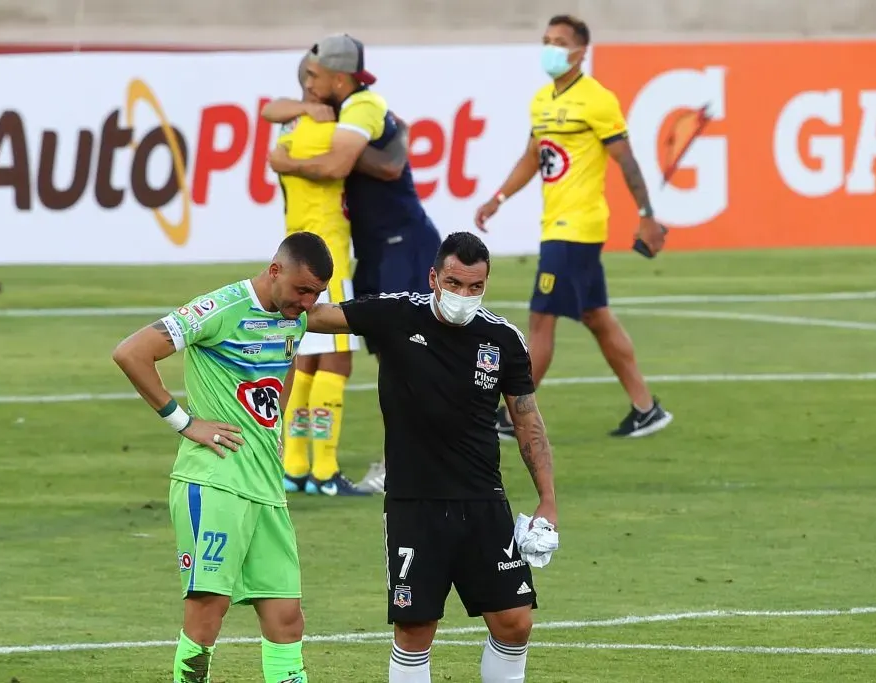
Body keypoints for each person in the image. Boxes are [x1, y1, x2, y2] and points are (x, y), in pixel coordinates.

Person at [304, 232, 558, 683]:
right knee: (416, 628)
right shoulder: (396, 314)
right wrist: (273, 294)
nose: (464, 295)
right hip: (413, 503)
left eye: (475, 287)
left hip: (483, 501)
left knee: (515, 622)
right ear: (434, 277)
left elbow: (527, 422)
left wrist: (548, 501)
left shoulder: (503, 339)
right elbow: (318, 317)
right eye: (455, 283)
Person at [111, 231, 335, 683]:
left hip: (266, 487)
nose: (308, 303)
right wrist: (186, 423)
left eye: (316, 294)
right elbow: (131, 353)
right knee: (207, 616)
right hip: (214, 483)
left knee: (287, 618)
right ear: (275, 270)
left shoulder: (293, 317)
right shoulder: (221, 308)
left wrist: (272, 433)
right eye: (302, 290)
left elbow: (282, 368)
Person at [475, 14, 674, 439]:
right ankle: (646, 408)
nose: (550, 48)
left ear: (581, 51)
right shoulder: (541, 101)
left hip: (575, 228)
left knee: (541, 320)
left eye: (560, 42)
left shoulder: (597, 100)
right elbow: (534, 156)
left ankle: (512, 418)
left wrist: (645, 213)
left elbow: (626, 158)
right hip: (558, 226)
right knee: (596, 316)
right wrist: (499, 198)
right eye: (546, 40)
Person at [268, 34, 443, 494]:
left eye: (314, 74)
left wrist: (284, 159)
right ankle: (322, 471)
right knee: (345, 358)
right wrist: (396, 133)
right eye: (307, 77)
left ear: (335, 79)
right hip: (344, 254)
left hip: (381, 246)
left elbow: (372, 164)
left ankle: (305, 466)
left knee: (382, 354)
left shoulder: (320, 122)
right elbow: (362, 164)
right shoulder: (328, 123)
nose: (310, 82)